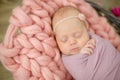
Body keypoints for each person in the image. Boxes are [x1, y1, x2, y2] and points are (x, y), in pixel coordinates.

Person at [52, 6, 120, 80]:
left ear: (86, 27)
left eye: (77, 35)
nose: (72, 42)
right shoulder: (67, 59)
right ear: (56, 40)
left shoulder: (94, 39)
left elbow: (107, 48)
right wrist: (82, 55)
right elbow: (83, 76)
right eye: (64, 40)